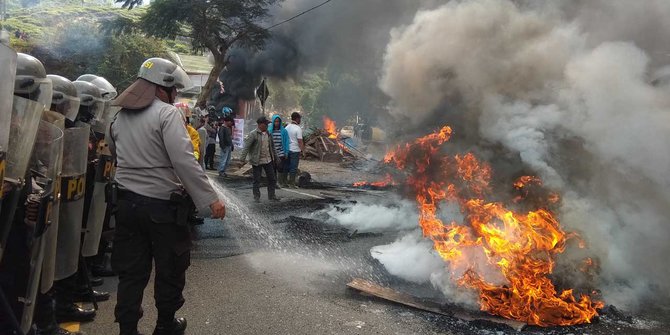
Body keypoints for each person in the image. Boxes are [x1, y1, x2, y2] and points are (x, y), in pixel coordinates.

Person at [109, 57, 226, 335]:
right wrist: (211, 200)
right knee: (170, 269)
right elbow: (184, 162)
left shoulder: (119, 117)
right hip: (161, 209)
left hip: (125, 205)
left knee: (131, 272)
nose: (175, 96)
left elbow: (115, 155)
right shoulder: (167, 114)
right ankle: (165, 325)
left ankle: (127, 329)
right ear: (165, 87)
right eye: (174, 90)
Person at [239, 117, 280, 203]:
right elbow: (246, 147)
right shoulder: (253, 134)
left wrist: (276, 158)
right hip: (257, 161)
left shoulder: (269, 134)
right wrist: (242, 159)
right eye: (266, 124)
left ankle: (272, 196)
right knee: (257, 180)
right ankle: (256, 196)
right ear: (260, 125)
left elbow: (272, 147)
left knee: (272, 178)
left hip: (268, 160)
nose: (267, 126)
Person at [268, 114, 289, 188]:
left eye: (278, 122)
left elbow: (286, 142)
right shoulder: (269, 130)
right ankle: (273, 183)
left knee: (280, 168)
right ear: (273, 122)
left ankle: (280, 182)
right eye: (275, 121)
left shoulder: (284, 131)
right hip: (272, 153)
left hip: (281, 153)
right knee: (272, 168)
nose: (277, 123)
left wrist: (286, 152)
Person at [284, 112, 304, 188]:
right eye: (300, 119)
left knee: (286, 166)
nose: (300, 120)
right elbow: (300, 141)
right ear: (297, 119)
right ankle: (292, 184)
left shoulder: (287, 127)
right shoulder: (298, 128)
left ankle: (284, 182)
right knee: (293, 167)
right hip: (295, 150)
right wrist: (303, 150)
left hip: (287, 150)